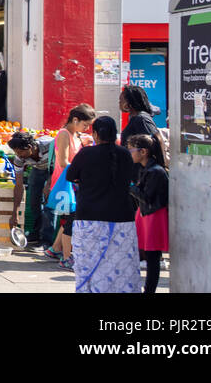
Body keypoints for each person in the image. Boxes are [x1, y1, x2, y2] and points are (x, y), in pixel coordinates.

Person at [66, 115, 138, 293]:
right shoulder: (125, 154)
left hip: (90, 218)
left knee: (89, 266)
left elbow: (70, 176)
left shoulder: (86, 153)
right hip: (122, 219)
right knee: (121, 269)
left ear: (96, 134)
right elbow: (133, 178)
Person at [46, 103, 96, 270]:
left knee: (69, 219)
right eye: (85, 124)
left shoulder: (77, 135)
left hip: (73, 183)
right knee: (72, 221)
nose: (87, 128)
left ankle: (55, 249)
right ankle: (66, 258)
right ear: (75, 120)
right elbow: (63, 161)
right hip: (66, 183)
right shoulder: (64, 134)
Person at [127, 134, 168, 294]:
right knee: (147, 256)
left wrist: (129, 187)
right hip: (146, 215)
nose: (130, 153)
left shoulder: (155, 171)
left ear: (143, 151)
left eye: (131, 150)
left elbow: (147, 197)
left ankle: (149, 291)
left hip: (153, 216)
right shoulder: (148, 169)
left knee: (152, 258)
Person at [7, 128, 54, 251]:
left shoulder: (50, 145)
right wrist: (14, 212)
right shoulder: (19, 159)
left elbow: (61, 164)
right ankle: (36, 234)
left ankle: (46, 241)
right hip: (38, 169)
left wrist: (49, 184)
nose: (18, 156)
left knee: (49, 204)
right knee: (33, 201)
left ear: (29, 147)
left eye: (20, 152)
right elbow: (18, 185)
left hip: (54, 169)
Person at [119, 86, 166, 168]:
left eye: (121, 101)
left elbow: (154, 142)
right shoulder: (134, 118)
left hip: (143, 171)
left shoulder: (141, 119)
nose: (119, 103)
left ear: (128, 104)